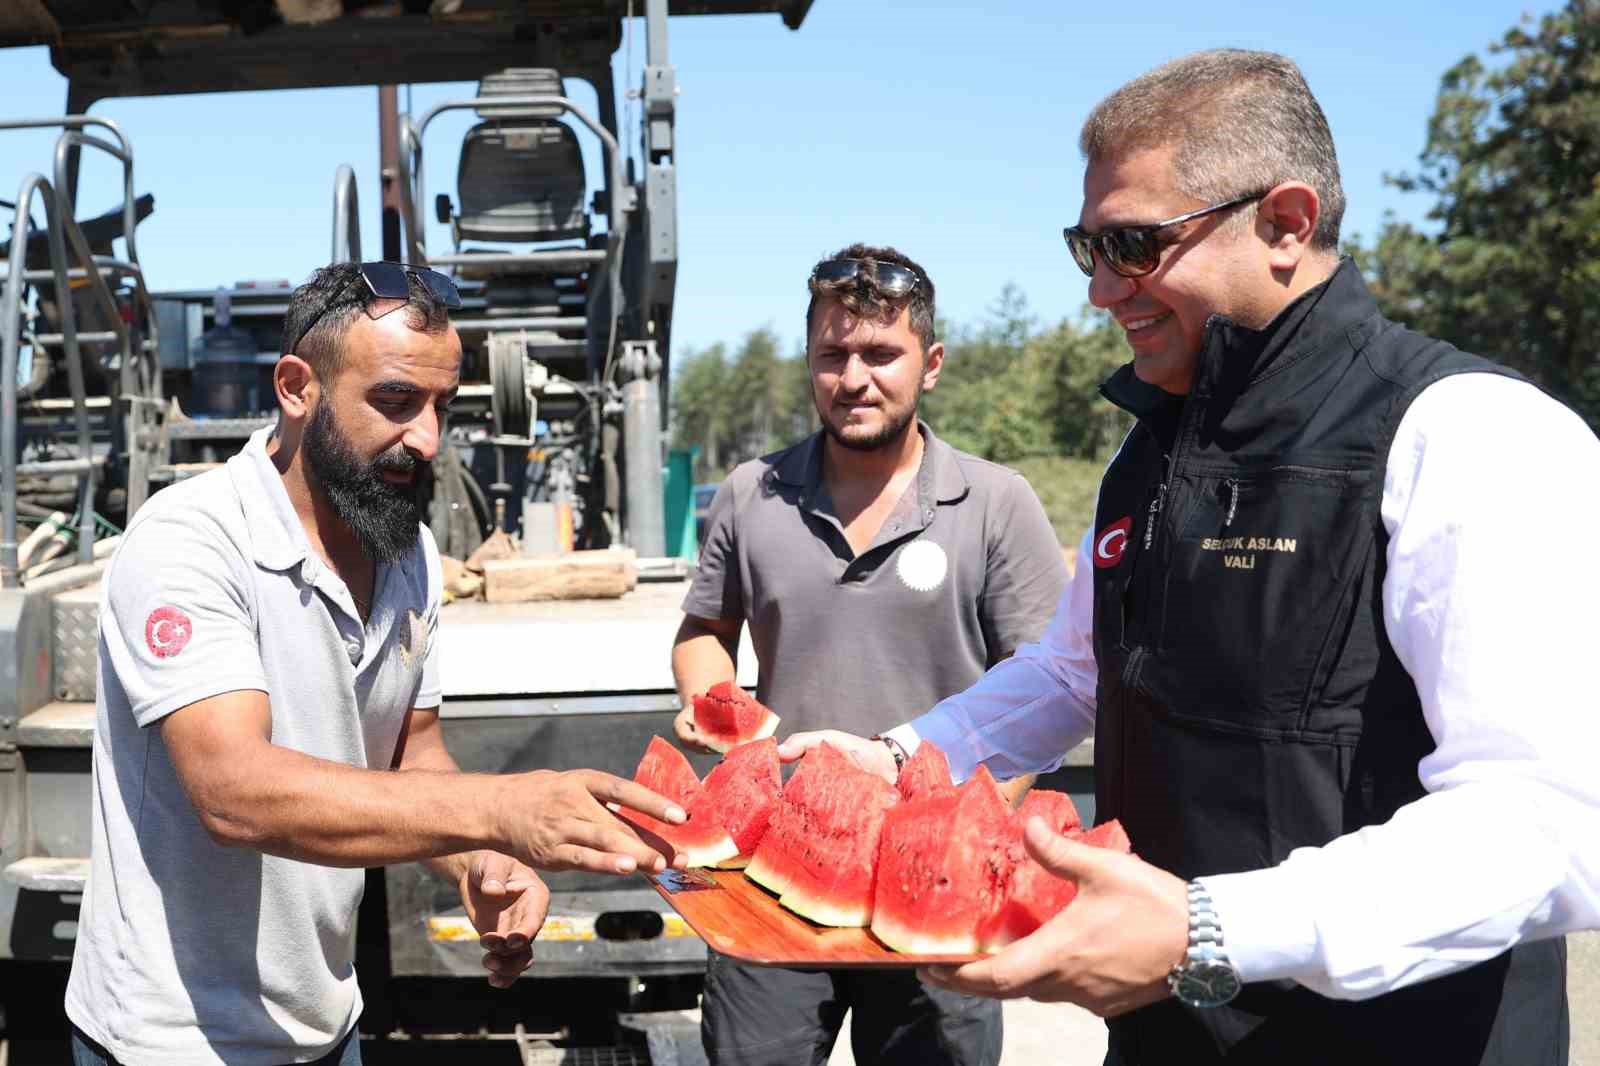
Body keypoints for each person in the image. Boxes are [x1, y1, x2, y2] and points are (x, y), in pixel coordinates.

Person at [782, 50, 1600, 1065]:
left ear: (1286, 223)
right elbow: (1077, 672)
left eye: (1133, 244)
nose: (1098, 290)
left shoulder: (1469, 435)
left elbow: (1548, 824)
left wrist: (1210, 928)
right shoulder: (1150, 449)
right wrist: (902, 759)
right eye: (1087, 247)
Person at [64, 262, 686, 1066]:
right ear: (297, 386)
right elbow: (232, 792)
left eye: (442, 407)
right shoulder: (191, 538)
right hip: (171, 1041)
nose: (427, 439)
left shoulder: (408, 550)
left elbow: (408, 751)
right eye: (395, 402)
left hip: (327, 1023)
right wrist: (501, 811)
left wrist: (481, 862)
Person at [672, 244, 1068, 1066]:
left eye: (881, 354)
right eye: (832, 355)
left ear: (931, 363)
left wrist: (963, 842)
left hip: (937, 875)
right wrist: (713, 700)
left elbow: (1045, 690)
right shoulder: (751, 493)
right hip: (771, 873)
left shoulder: (996, 503)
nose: (854, 378)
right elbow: (704, 629)